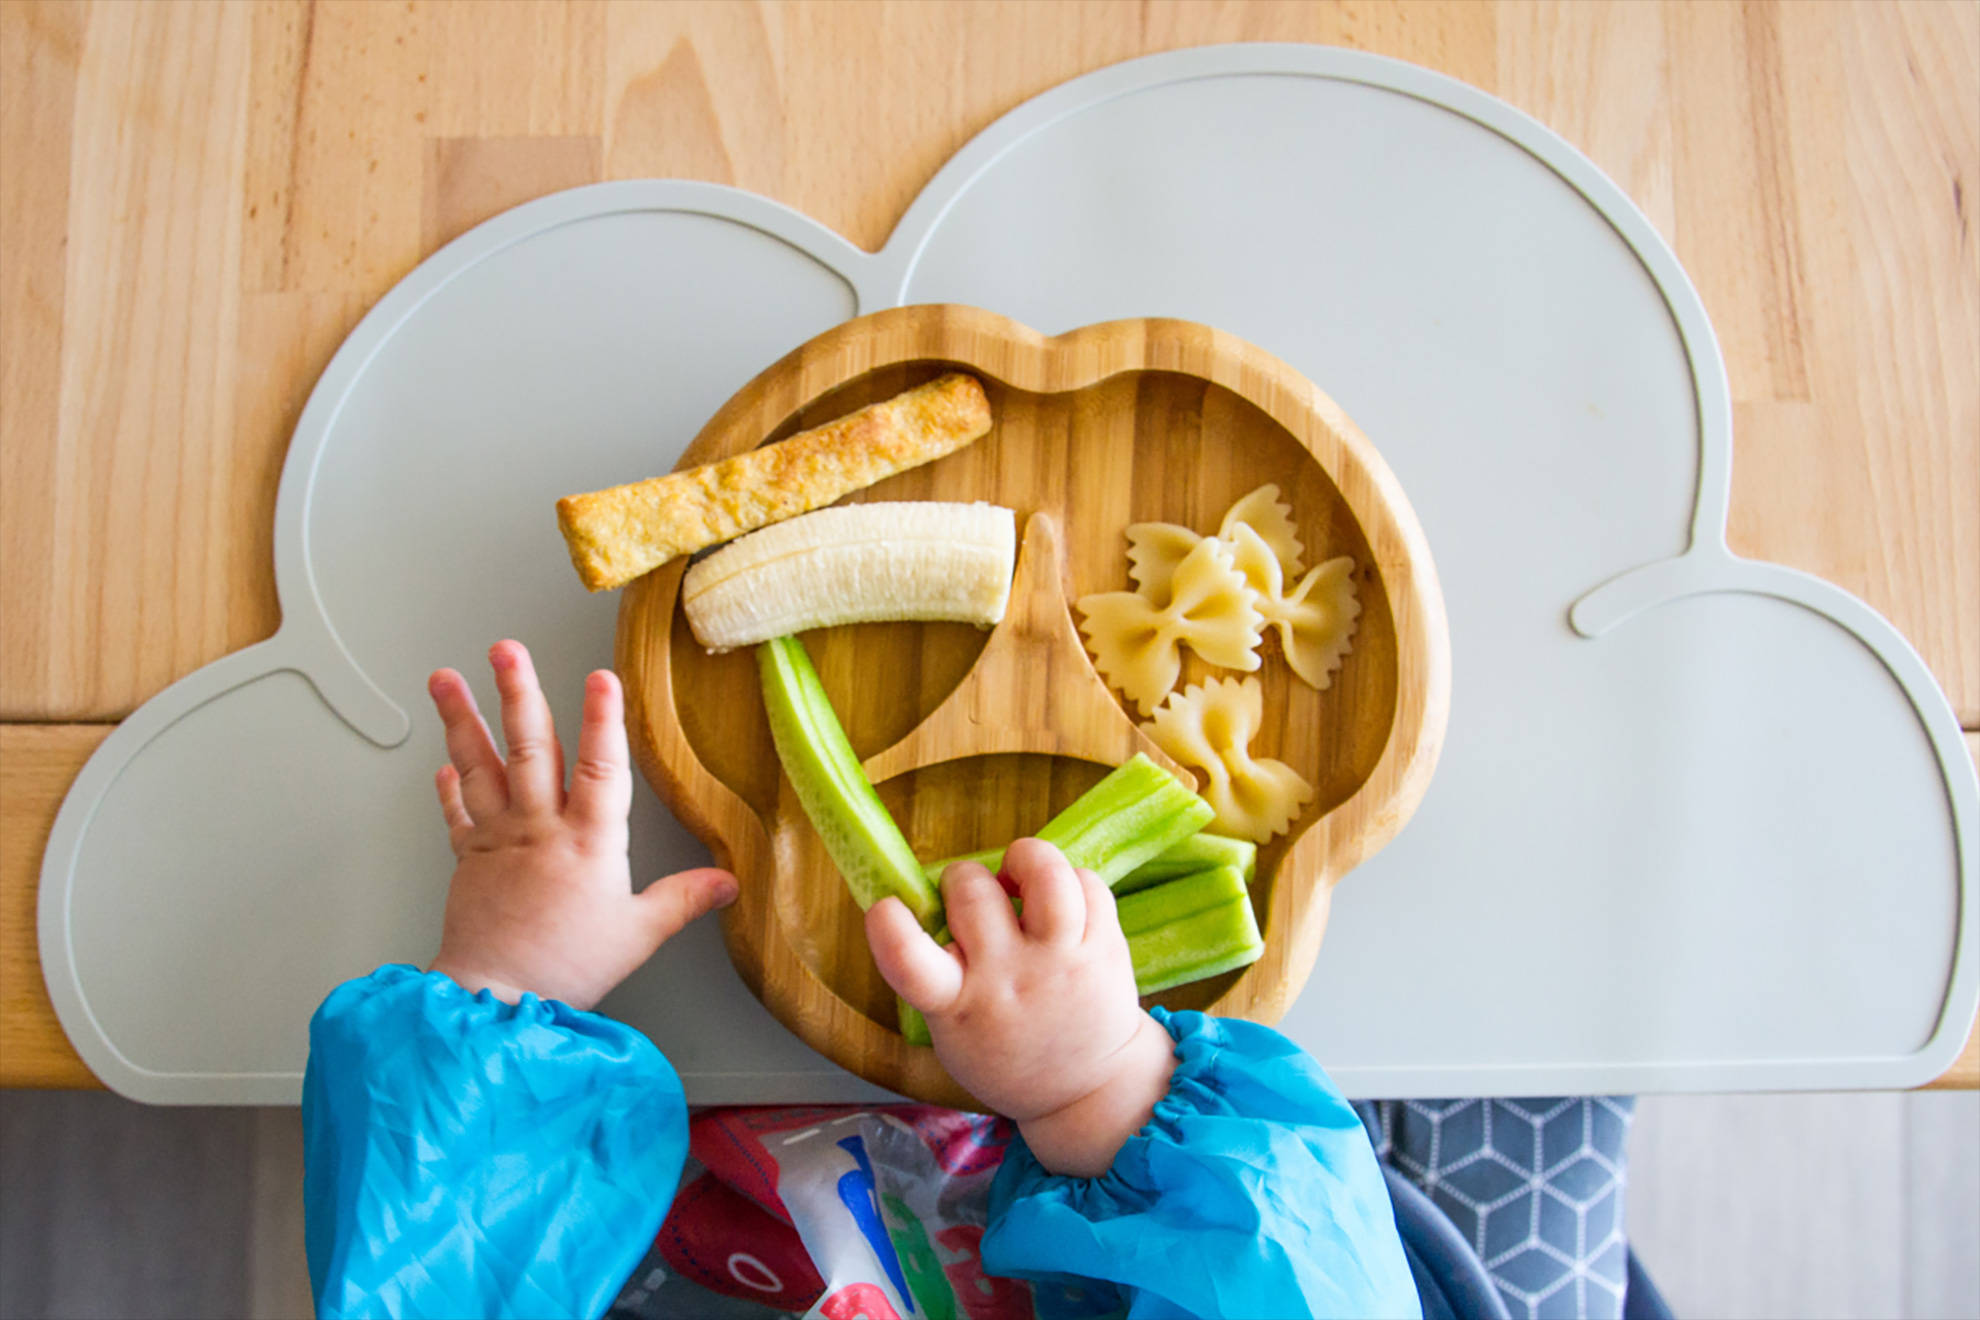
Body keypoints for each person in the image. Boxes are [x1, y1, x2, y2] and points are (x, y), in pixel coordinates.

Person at [302, 640, 1423, 1319]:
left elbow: (428, 1275)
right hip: (1138, 1206)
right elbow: (1296, 1279)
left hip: (624, 1197)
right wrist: (1099, 1084)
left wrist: (503, 982)